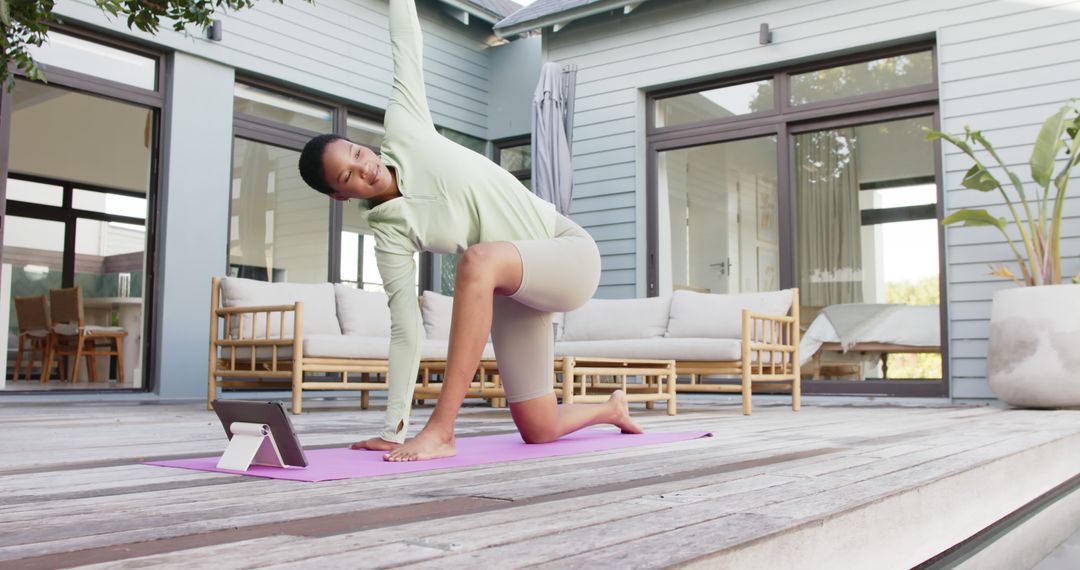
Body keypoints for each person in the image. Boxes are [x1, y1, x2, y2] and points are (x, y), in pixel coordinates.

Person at [298, 0, 642, 461]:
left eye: (359, 155)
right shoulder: (390, 237)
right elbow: (405, 331)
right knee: (538, 428)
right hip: (513, 290)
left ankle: (443, 430)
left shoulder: (405, 128)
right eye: (348, 178)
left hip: (567, 255)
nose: (366, 169)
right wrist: (393, 428)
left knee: (477, 259)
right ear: (341, 197)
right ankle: (610, 409)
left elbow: (406, 43)